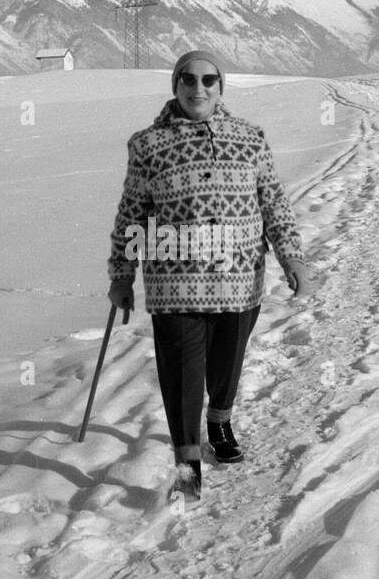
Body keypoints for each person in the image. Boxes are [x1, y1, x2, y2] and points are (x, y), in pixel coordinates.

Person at [108, 49, 314, 500]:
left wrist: (292, 257)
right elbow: (133, 214)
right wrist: (121, 274)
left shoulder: (249, 138)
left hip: (240, 278)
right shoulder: (147, 145)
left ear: (221, 87)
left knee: (226, 363)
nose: (196, 88)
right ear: (175, 85)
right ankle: (186, 464)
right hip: (174, 284)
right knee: (182, 373)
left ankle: (219, 422)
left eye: (207, 80)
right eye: (187, 79)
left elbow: (273, 202)